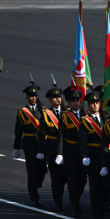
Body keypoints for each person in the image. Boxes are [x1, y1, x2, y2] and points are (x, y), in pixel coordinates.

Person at [12, 82, 47, 206]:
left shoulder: (43, 110)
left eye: (35, 96)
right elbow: (18, 131)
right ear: (26, 97)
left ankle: (38, 182)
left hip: (42, 144)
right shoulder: (23, 112)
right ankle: (34, 196)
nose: (33, 98)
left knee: (42, 170)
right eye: (31, 96)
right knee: (32, 171)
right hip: (29, 144)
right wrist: (16, 148)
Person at [57, 88, 88, 217]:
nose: (77, 103)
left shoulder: (86, 115)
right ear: (68, 103)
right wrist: (60, 153)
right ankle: (75, 205)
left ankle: (76, 198)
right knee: (73, 179)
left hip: (83, 153)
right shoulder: (64, 116)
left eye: (78, 100)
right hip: (70, 151)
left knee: (83, 180)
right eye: (74, 101)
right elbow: (61, 135)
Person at [79, 89, 108, 219]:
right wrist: (85, 156)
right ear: (88, 105)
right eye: (92, 103)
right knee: (95, 186)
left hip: (106, 155)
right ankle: (98, 212)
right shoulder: (85, 120)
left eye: (97, 102)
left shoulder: (105, 117)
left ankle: (105, 206)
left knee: (106, 186)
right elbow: (83, 140)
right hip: (93, 156)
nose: (95, 105)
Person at [41, 84, 67, 212]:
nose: (58, 99)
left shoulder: (67, 113)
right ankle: (58, 201)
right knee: (56, 177)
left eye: (59, 96)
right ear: (50, 100)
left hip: (66, 150)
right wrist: (41, 151)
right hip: (51, 149)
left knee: (66, 177)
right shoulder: (46, 114)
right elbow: (42, 133)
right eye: (55, 97)